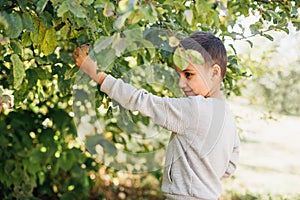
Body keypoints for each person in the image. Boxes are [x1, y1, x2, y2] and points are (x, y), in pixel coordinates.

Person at [73, 32, 240, 200]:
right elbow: (229, 167)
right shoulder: (227, 116)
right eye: (179, 75)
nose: (181, 83)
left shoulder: (195, 108)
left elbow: (140, 100)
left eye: (188, 74)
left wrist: (95, 73)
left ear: (214, 73)